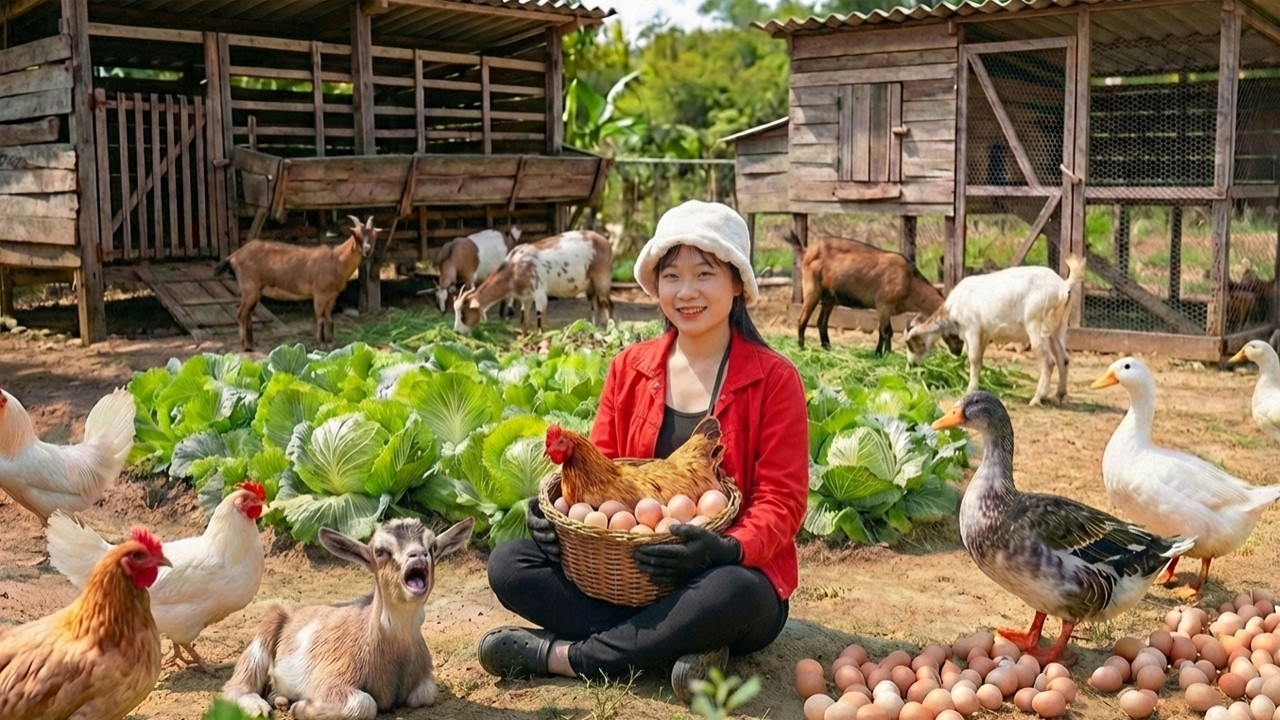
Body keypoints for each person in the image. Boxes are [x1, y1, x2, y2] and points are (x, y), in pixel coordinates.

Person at [478, 200, 810, 703]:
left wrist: (727, 548)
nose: (686, 291)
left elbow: (782, 503)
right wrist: (561, 520)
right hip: (625, 578)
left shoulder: (774, 379)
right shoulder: (630, 367)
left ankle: (570, 657)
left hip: (721, 578)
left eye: (705, 273)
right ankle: (680, 644)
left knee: (733, 594)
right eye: (671, 275)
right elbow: (604, 477)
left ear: (738, 282)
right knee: (509, 564)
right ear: (656, 286)